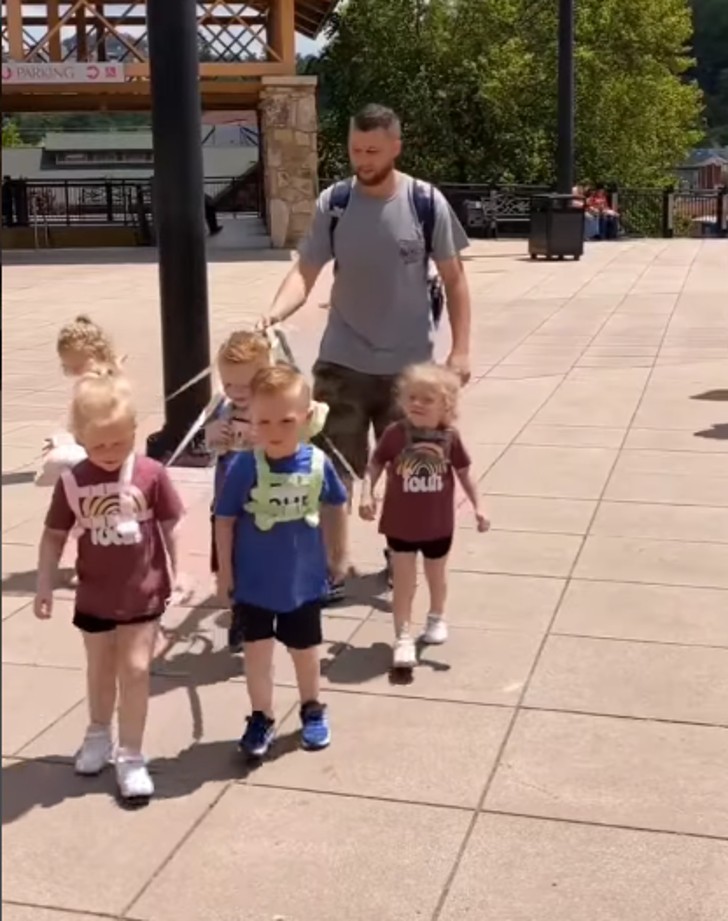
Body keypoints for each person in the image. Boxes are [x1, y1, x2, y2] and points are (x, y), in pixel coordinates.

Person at [260, 104, 472, 538]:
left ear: (396, 147)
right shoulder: (335, 203)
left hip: (410, 369)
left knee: (409, 473)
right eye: (356, 150)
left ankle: (400, 556)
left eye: (372, 151)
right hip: (343, 364)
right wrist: (275, 312)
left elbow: (455, 279)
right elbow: (305, 271)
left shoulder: (425, 202)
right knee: (331, 474)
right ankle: (332, 562)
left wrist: (461, 350)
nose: (363, 160)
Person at [34, 370, 185, 803]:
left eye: (119, 442)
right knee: (100, 669)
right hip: (95, 594)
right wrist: (45, 584)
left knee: (135, 671)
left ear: (134, 431)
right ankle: (98, 733)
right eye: (98, 445)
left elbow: (171, 524)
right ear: (81, 437)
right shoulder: (74, 481)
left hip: (143, 592)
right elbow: (53, 536)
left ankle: (131, 754)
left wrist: (179, 572)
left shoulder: (151, 474)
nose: (109, 453)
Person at [214, 365, 348, 758]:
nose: (274, 430)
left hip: (303, 582)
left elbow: (337, 504)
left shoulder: (318, 463)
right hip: (253, 584)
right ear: (252, 420)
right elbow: (224, 519)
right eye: (264, 421)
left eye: (286, 421)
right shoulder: (244, 467)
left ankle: (312, 708)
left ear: (306, 418)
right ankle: (262, 716)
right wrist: (225, 573)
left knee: (305, 651)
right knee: (256, 653)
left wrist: (340, 554)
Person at [359, 363, 489, 669]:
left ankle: (436, 616)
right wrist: (366, 494)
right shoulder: (395, 434)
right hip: (400, 523)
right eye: (412, 397)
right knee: (403, 580)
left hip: (437, 524)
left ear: (446, 405)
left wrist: (479, 505)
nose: (417, 403)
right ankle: (403, 635)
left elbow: (465, 472)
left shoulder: (450, 437)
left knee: (436, 574)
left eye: (427, 399)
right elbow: (375, 464)